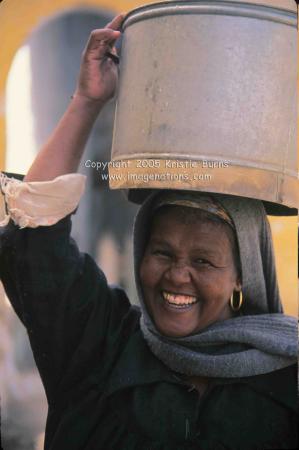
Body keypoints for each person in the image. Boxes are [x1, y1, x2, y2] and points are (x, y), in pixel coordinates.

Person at [0, 14, 298, 450]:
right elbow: (34, 234)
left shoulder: (285, 378)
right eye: (162, 252)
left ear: (242, 273)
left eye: (202, 260)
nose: (177, 275)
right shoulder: (99, 343)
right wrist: (87, 100)